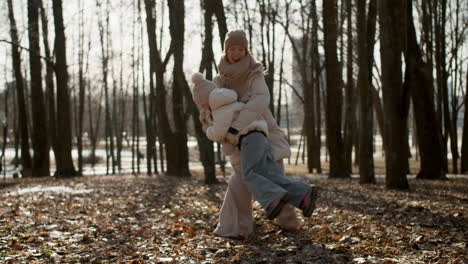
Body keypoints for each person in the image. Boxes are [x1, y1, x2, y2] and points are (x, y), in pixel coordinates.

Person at [196, 29, 318, 237]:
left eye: (241, 49)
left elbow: (260, 100)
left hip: (262, 130)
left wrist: (236, 122)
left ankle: (286, 220)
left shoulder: (254, 72)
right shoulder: (219, 79)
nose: (237, 53)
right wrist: (210, 119)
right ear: (226, 51)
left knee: (269, 174)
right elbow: (213, 108)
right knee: (244, 181)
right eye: (232, 49)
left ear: (246, 50)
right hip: (238, 139)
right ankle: (238, 228)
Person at [192, 73, 318, 220]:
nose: (204, 107)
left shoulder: (218, 107)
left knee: (249, 174)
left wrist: (209, 130)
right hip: (260, 136)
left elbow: (219, 133)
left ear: (204, 101)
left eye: (202, 104)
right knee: (270, 174)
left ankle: (272, 200)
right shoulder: (227, 100)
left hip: (249, 139)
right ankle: (304, 195)